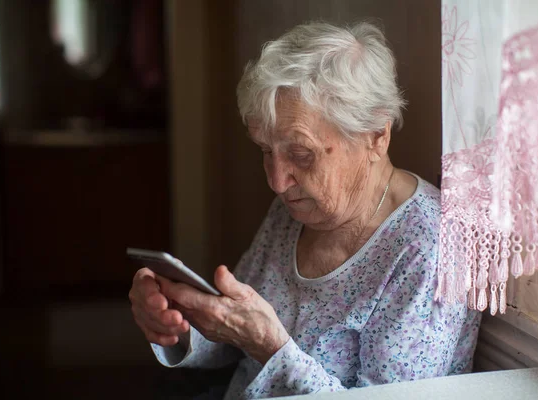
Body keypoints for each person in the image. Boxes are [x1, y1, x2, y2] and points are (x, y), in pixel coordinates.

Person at [129, 21, 480, 399]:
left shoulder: (429, 248)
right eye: (266, 151)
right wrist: (182, 324)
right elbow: (235, 344)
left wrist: (270, 346)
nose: (277, 182)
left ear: (377, 135)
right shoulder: (296, 209)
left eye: (301, 154)